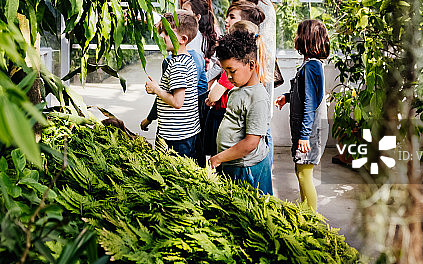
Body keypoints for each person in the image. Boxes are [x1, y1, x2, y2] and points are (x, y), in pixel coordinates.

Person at [208, 30, 273, 195]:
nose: (228, 77)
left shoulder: (257, 98)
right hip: (231, 163)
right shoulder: (237, 89)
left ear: (251, 65)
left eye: (232, 70)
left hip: (246, 169)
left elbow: (251, 143)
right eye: (225, 71)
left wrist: (219, 158)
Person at [275, 19, 330, 211]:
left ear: (307, 39)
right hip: (307, 129)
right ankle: (305, 212)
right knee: (301, 171)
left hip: (311, 130)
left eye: (298, 33)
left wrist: (305, 135)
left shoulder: (312, 67)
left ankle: (311, 218)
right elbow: (306, 94)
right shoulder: (309, 65)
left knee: (305, 174)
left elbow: (310, 103)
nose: (295, 37)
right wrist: (287, 97)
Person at [140, 11, 201, 159]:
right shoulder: (187, 59)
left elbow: (177, 102)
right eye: (161, 31)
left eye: (166, 33)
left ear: (183, 39)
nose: (161, 36)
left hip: (175, 136)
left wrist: (157, 90)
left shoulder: (178, 65)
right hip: (186, 132)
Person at [231, 0, 277, 105]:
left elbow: (265, 51)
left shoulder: (264, 7)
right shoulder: (239, 4)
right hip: (239, 79)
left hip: (256, 81)